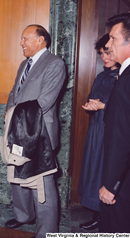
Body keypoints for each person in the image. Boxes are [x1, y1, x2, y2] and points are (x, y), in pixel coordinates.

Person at [5, 25, 66, 238]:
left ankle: (47, 231)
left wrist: (16, 114)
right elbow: (15, 92)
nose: (21, 43)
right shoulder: (24, 64)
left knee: (42, 183)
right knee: (17, 173)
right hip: (18, 128)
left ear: (41, 40)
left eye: (25, 38)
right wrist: (9, 112)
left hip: (40, 132)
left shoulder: (55, 63)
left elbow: (46, 100)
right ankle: (23, 216)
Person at [78, 34, 119, 230]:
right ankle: (97, 213)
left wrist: (103, 106)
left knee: (108, 172)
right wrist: (92, 105)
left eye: (108, 52)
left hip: (111, 131)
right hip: (96, 129)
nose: (105, 57)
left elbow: (122, 107)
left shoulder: (123, 77)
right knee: (94, 171)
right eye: (102, 53)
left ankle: (107, 217)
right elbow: (93, 96)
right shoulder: (102, 76)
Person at [99, 13, 130, 233]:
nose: (108, 44)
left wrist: (111, 185)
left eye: (113, 38)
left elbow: (122, 138)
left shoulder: (126, 80)